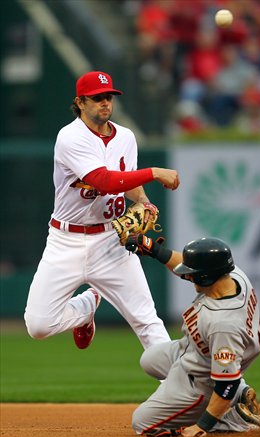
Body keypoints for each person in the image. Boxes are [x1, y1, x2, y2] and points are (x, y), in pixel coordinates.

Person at [24, 70, 180, 351]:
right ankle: (86, 308)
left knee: (146, 320)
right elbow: (105, 182)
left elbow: (127, 180)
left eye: (108, 97)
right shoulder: (70, 136)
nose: (105, 103)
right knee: (38, 325)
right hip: (66, 240)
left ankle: (179, 387)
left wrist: (143, 201)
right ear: (80, 102)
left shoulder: (126, 137)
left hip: (111, 239)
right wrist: (154, 172)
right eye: (96, 98)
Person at [125, 234, 260, 437]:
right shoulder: (231, 275)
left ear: (206, 277)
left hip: (202, 379)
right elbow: (186, 266)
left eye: (192, 274)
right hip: (194, 351)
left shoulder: (223, 325)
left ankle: (234, 419)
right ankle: (242, 393)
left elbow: (226, 383)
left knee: (141, 422)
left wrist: (204, 424)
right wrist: (154, 250)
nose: (188, 276)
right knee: (148, 360)